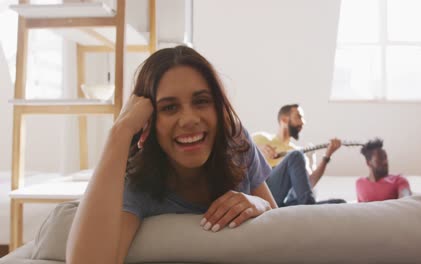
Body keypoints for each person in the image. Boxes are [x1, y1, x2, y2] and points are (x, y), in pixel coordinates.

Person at [66, 46, 277, 263]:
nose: (189, 119)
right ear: (148, 121)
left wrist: (261, 205)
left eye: (201, 101)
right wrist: (120, 132)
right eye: (169, 108)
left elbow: (283, 235)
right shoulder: (137, 180)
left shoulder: (236, 142)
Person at [253, 104, 344, 207]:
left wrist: (327, 156)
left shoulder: (297, 153)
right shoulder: (261, 138)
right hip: (265, 190)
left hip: (283, 202)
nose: (303, 122)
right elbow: (240, 152)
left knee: (340, 203)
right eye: (299, 117)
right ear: (284, 119)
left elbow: (309, 183)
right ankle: (309, 206)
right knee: (296, 155)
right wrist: (258, 149)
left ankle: (307, 206)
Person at [356, 138, 412, 202]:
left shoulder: (399, 180)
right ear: (368, 163)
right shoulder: (360, 183)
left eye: (386, 158)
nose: (385, 162)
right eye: (380, 159)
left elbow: (406, 201)